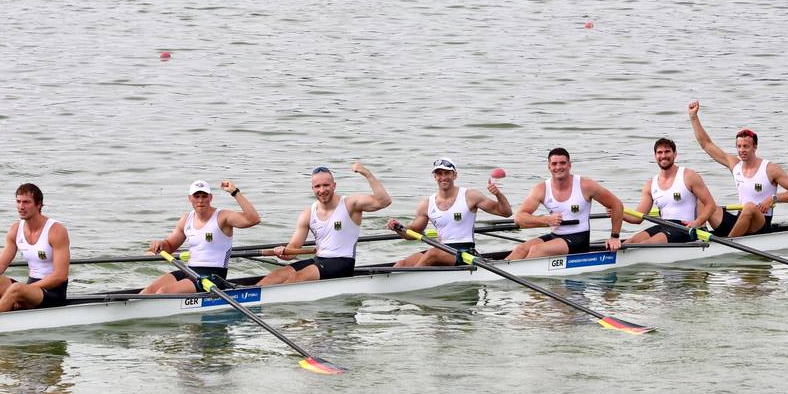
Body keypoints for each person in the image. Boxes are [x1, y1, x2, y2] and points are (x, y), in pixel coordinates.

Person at [258, 163, 391, 284]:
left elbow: (384, 201)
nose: (322, 190)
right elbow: (293, 248)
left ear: (334, 185)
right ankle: (249, 295)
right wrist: (284, 252)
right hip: (319, 260)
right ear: (312, 188)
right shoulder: (308, 213)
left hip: (342, 262)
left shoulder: (350, 204)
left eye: (326, 185)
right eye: (317, 186)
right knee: (277, 275)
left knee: (297, 278)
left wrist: (366, 173)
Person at [688, 99, 788, 236]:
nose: (742, 150)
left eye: (746, 146)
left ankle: (727, 244)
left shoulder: (770, 169)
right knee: (703, 200)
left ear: (755, 147)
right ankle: (701, 235)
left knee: (749, 206)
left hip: (760, 223)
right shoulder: (735, 165)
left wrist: (774, 198)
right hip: (740, 219)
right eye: (739, 146)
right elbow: (706, 144)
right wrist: (693, 117)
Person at [0, 183, 71, 314]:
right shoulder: (15, 230)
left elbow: (60, 276)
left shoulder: (56, 231)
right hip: (28, 289)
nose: (21, 206)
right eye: (18, 202)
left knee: (16, 288)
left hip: (53, 294)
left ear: (39, 204)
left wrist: (24, 290)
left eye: (26, 202)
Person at [141, 179, 262, 294]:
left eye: (204, 196)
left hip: (213, 276)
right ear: (190, 198)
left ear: (210, 198)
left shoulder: (223, 217)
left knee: (163, 292)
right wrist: (160, 244)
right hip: (189, 271)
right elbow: (169, 246)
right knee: (149, 291)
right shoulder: (186, 219)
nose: (200, 200)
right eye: (196, 196)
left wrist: (235, 192)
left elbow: (253, 219)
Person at [386, 158, 513, 266]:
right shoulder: (426, 204)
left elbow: (506, 213)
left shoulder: (470, 196)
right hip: (441, 250)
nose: (443, 177)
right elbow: (413, 233)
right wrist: (398, 228)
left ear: (454, 175)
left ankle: (409, 281)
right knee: (402, 264)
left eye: (447, 173)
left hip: (465, 253)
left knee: (432, 253)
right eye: (439, 174)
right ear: (435, 177)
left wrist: (498, 195)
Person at [505, 147, 624, 260]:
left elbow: (616, 205)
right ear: (549, 167)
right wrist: (545, 220)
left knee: (537, 250)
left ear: (569, 165)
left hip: (579, 238)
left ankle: (520, 276)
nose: (558, 167)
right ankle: (497, 274)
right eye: (554, 164)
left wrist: (614, 237)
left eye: (562, 163)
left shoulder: (586, 185)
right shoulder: (541, 189)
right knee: (520, 249)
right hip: (555, 237)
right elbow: (519, 217)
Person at [625, 137, 719, 244]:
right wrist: (617, 212)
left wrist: (697, 222)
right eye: (659, 152)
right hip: (664, 226)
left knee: (646, 244)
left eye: (667, 152)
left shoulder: (689, 176)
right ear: (655, 156)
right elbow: (637, 218)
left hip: (687, 228)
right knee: (630, 242)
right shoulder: (650, 184)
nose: (663, 156)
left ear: (675, 154)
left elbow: (710, 205)